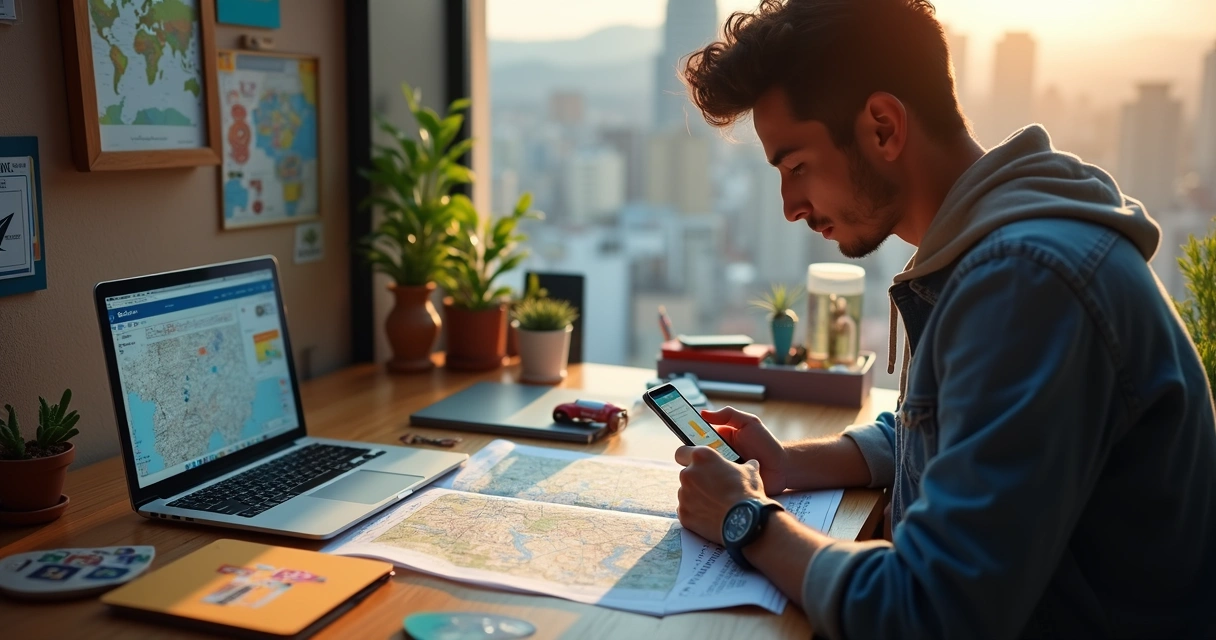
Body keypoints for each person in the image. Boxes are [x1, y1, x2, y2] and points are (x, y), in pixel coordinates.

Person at [671, 1, 1216, 638]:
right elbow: (953, 435)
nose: (791, 206)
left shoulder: (1027, 283)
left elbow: (931, 612)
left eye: (796, 167)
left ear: (882, 127)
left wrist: (749, 520)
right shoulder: (998, 249)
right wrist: (787, 465)